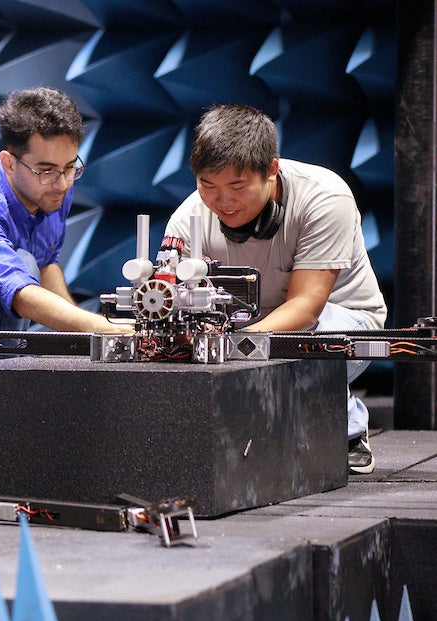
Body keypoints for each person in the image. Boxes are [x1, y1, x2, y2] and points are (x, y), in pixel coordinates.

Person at [161, 104, 387, 474]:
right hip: (244, 329)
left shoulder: (325, 198)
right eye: (207, 185)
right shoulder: (188, 218)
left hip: (343, 326)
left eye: (237, 186)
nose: (222, 201)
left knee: (310, 339)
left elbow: (307, 305)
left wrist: (234, 348)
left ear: (271, 170)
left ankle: (345, 425)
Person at [0, 87, 128, 336]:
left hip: (4, 313)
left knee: (31, 262)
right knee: (24, 262)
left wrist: (86, 334)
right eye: (46, 171)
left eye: (70, 168)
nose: (62, 184)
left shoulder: (53, 191)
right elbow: (18, 292)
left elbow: (46, 264)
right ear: (9, 163)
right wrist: (110, 328)